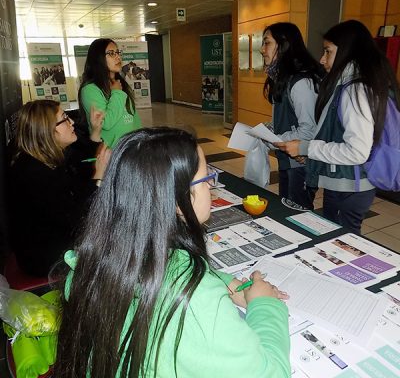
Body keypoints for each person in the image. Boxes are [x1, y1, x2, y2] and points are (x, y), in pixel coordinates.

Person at [55, 127, 291, 378]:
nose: (211, 184)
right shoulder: (194, 297)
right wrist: (265, 303)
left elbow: (154, 271)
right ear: (176, 200)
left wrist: (226, 281)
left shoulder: (97, 256)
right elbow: (271, 373)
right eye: (205, 177)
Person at [275, 20, 400, 233]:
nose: (322, 59)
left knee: (343, 244)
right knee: (337, 239)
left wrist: (306, 148)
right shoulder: (352, 84)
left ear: (347, 52)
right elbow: (335, 133)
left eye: (328, 51)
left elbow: (356, 151)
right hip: (346, 186)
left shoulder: (355, 90)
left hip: (350, 188)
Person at [8, 100, 111, 277]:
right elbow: (79, 217)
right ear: (47, 130)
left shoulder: (44, 157)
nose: (71, 122)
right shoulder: (33, 173)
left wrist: (95, 131)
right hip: (46, 259)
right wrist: (99, 175)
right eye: (64, 119)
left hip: (56, 241)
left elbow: (80, 173)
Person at [261, 22, 323, 211]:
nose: (262, 50)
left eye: (267, 43)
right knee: (286, 210)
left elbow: (309, 129)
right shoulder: (282, 78)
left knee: (299, 214)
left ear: (284, 44)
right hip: (288, 160)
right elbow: (287, 119)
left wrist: (274, 140)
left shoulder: (301, 82)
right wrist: (268, 129)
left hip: (302, 163)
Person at [79, 38, 142, 148]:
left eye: (118, 52)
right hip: (110, 154)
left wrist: (141, 140)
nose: (118, 57)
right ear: (98, 58)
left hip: (130, 150)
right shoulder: (90, 90)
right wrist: (117, 93)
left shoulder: (120, 83)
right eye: (111, 53)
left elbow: (133, 116)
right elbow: (106, 122)